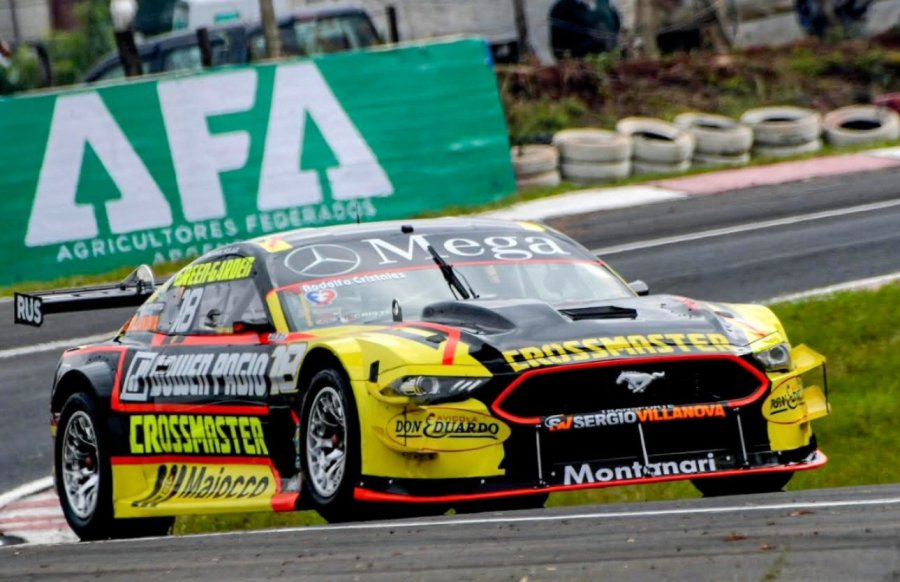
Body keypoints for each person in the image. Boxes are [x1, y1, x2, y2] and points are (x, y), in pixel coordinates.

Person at [549, 0, 621, 60]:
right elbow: (559, 49)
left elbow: (616, 30)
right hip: (582, 70)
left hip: (612, 66)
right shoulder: (562, 9)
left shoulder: (605, 3)